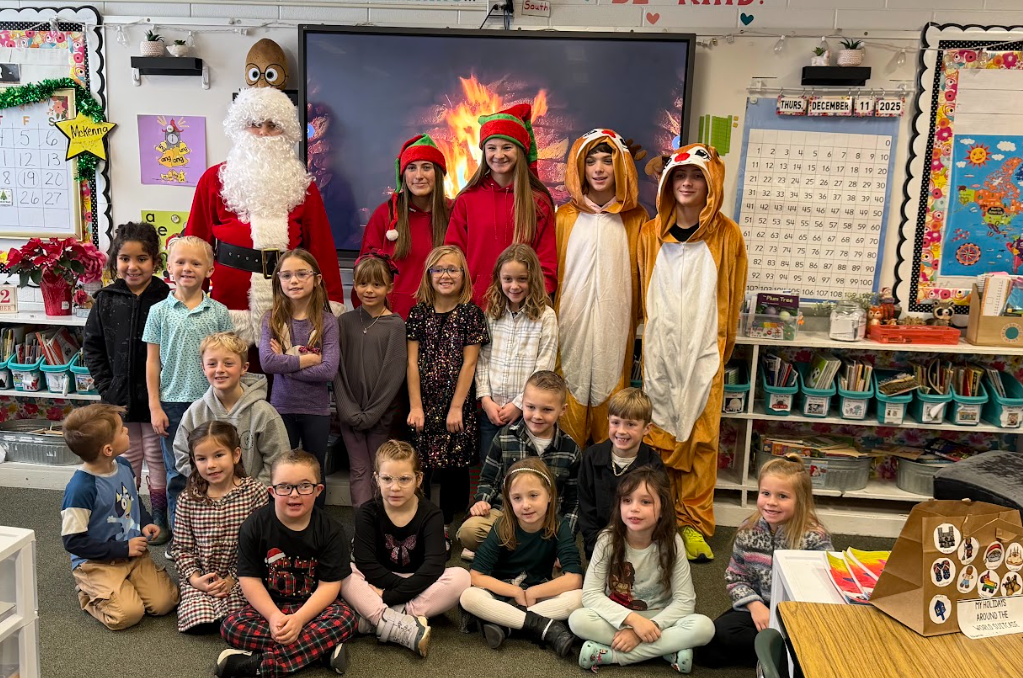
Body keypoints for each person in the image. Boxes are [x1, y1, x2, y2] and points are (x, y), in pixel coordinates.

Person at [637, 143, 748, 561]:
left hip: (705, 351)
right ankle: (659, 519)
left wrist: (721, 349)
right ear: (667, 182)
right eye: (679, 175)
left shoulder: (728, 235)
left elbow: (733, 296)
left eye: (696, 176)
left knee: (701, 440)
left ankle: (694, 525)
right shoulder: (649, 234)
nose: (687, 183)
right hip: (661, 353)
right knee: (659, 436)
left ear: (710, 183)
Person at [185, 87, 344, 349]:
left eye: (273, 126)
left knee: (285, 370)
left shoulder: (302, 185)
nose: (263, 133)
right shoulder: (213, 180)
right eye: (255, 124)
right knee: (228, 372)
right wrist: (191, 300)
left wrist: (332, 302)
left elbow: (321, 249)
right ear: (240, 127)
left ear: (286, 132)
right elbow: (195, 247)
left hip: (291, 301)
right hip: (227, 305)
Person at [216, 450, 357, 678]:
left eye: (304, 486)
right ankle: (319, 652)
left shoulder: (331, 531)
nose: (294, 495)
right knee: (231, 626)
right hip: (269, 608)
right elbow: (249, 580)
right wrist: (273, 616)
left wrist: (300, 620)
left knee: (346, 619)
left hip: (313, 609)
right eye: (284, 487)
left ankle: (261, 666)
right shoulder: (253, 526)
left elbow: (329, 586)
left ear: (318, 490)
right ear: (272, 491)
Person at [569, 468, 714, 673]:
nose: (634, 509)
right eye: (627, 501)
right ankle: (665, 651)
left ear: (662, 509)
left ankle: (612, 655)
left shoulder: (672, 542)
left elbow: (685, 601)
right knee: (578, 620)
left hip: (659, 617)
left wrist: (640, 632)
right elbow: (591, 594)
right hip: (620, 617)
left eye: (645, 502)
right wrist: (633, 622)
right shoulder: (607, 540)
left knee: (704, 627)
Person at [554, 129, 648, 447]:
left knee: (612, 387)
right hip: (570, 322)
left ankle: (607, 462)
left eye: (607, 161)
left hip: (615, 325)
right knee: (569, 384)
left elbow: (644, 273)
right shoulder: (564, 217)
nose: (598, 169)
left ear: (620, 166)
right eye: (590, 161)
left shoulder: (635, 218)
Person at [697, 454, 833, 670]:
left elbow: (824, 587)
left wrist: (793, 618)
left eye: (782, 496)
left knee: (820, 643)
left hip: (798, 614)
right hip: (760, 607)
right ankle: (782, 654)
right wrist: (755, 605)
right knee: (713, 644)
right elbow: (735, 578)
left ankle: (783, 653)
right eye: (765, 493)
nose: (771, 502)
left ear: (801, 500)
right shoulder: (748, 531)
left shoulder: (814, 537)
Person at [84, 221, 172, 544]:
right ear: (115, 261)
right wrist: (106, 387)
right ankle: (130, 516)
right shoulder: (106, 299)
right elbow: (92, 346)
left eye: (141, 259)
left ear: (155, 262)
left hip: (156, 400)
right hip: (118, 400)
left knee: (158, 458)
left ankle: (160, 516)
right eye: (125, 259)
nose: (132, 266)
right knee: (126, 460)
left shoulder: (166, 298)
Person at [342, 440, 471, 656]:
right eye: (387, 479)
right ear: (376, 479)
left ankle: (377, 618)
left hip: (414, 580)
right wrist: (403, 589)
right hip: (381, 580)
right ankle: (399, 620)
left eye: (404, 479)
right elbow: (365, 562)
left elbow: (434, 566)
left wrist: (387, 597)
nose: (395, 487)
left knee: (461, 577)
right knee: (344, 571)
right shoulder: (367, 512)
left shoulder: (431, 514)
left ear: (418, 479)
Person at [59, 404, 179, 630]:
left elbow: (131, 500)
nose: (126, 431)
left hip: (132, 555)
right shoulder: (81, 489)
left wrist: (145, 523)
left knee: (166, 603)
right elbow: (73, 542)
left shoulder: (123, 465)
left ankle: (122, 585)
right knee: (128, 615)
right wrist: (123, 548)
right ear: (107, 449)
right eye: (121, 430)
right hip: (97, 562)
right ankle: (88, 592)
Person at [144, 235, 233, 531]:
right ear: (168, 267)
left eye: (196, 263)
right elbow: (152, 362)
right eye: (180, 262)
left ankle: (213, 529)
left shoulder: (219, 312)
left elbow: (229, 359)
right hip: (171, 403)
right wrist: (155, 406)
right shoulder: (158, 312)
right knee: (177, 472)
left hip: (211, 404)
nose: (187, 268)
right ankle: (180, 534)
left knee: (214, 469)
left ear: (210, 269)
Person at [406, 245, 489, 544]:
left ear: (463, 274)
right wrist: (416, 405)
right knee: (425, 470)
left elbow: (470, 363)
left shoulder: (471, 314)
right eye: (438, 269)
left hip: (456, 405)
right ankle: (427, 525)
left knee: (454, 468)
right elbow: (412, 363)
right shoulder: (418, 313)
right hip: (424, 405)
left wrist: (456, 407)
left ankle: (452, 526)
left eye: (452, 269)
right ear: (428, 275)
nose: (445, 275)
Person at [459, 457, 582, 656]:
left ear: (550, 495)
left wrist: (533, 592)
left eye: (533, 495)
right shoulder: (502, 526)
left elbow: (574, 578)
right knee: (468, 597)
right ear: (509, 500)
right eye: (517, 498)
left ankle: (505, 624)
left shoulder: (560, 526)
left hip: (537, 593)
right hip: (502, 594)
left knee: (579, 598)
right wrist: (515, 592)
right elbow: (476, 576)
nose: (526, 505)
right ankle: (541, 625)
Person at [458, 370, 580, 560]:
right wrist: (482, 500)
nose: (537, 416)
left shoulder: (570, 449)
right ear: (522, 403)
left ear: (562, 410)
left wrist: (565, 541)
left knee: (563, 569)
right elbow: (488, 479)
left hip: (546, 524)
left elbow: (574, 502)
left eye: (547, 410)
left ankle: (515, 556)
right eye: (531, 407)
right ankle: (520, 555)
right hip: (507, 516)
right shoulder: (505, 437)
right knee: (469, 532)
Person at [445, 103, 556, 308]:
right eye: (491, 148)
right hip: (474, 306)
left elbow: (546, 261)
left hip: (521, 307)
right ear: (483, 152)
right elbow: (453, 255)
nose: (498, 155)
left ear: (520, 151)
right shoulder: (467, 200)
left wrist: (536, 302)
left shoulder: (538, 202)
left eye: (507, 147)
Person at [171, 422, 268, 633]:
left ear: (236, 455)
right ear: (193, 461)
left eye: (218, 455)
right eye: (202, 459)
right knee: (199, 621)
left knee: (246, 618)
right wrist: (196, 579)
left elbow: (260, 545)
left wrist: (232, 578)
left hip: (243, 575)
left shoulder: (255, 492)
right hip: (202, 577)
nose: (211, 465)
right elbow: (181, 548)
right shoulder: (188, 499)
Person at [259, 248, 341, 495]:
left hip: (316, 410)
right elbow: (267, 363)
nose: (293, 281)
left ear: (316, 279)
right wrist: (307, 360)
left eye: (301, 274)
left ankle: (316, 518)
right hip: (281, 408)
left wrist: (285, 363)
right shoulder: (271, 319)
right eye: (286, 275)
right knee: (282, 471)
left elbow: (328, 371)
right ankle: (283, 518)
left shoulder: (328, 322)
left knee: (315, 472)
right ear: (279, 281)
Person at [334, 253, 408, 508]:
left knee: (381, 472)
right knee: (358, 469)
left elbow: (393, 375)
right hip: (350, 414)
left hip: (380, 415)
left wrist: (373, 413)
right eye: (363, 283)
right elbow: (338, 370)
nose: (369, 290)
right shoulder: (344, 322)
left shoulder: (396, 325)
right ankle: (363, 526)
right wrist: (348, 410)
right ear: (354, 285)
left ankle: (380, 522)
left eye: (377, 284)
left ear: (389, 287)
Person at [173, 332, 290, 489]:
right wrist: (208, 484)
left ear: (244, 368)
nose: (220, 370)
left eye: (228, 364)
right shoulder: (194, 413)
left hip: (253, 499)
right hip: (208, 496)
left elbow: (278, 459)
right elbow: (182, 455)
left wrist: (252, 492)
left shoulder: (264, 413)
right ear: (203, 368)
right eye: (212, 364)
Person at [476, 244, 558, 465]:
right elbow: (482, 360)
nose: (514, 286)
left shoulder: (545, 317)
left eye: (522, 279)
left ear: (533, 279)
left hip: (527, 415)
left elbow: (544, 368)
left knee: (523, 472)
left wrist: (519, 405)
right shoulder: (491, 314)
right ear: (499, 279)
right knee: (490, 470)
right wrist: (486, 400)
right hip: (491, 413)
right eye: (508, 279)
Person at [355, 133, 451, 319]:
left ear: (438, 173)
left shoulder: (453, 213)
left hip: (441, 318)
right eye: (412, 168)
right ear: (403, 175)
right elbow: (366, 272)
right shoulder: (385, 214)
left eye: (426, 167)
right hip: (391, 318)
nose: (419, 176)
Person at [577, 388, 665, 560]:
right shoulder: (592, 457)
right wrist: (595, 546)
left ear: (647, 428)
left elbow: (658, 511)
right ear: (608, 421)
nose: (621, 431)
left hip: (639, 545)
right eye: (616, 422)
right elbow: (586, 508)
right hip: (598, 546)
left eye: (630, 424)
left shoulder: (654, 464)